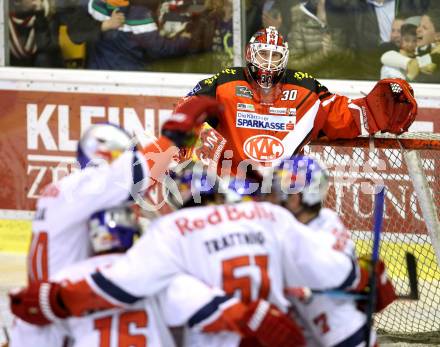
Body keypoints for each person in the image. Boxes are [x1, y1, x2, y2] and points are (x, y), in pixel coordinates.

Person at [9, 160, 375, 347]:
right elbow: (336, 272)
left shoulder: (169, 233)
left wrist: (56, 298)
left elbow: (122, 286)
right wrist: (368, 276)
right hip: (283, 331)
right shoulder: (268, 216)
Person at [26, 95, 224, 287]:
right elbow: (138, 173)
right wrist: (172, 138)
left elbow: (140, 180)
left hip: (54, 296)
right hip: (61, 307)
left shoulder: (68, 190)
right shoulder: (85, 186)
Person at [180, 26, 417, 176]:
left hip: (281, 192)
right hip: (230, 188)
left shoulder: (304, 87)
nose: (269, 63)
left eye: (275, 56)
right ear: (249, 54)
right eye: (264, 54)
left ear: (285, 59)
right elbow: (187, 108)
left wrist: (373, 112)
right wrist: (188, 137)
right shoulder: (226, 83)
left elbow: (337, 114)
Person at [272, 155, 396, 346]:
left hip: (345, 337)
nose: (276, 198)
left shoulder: (302, 235)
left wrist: (364, 276)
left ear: (297, 197)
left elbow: (340, 273)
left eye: (282, 192)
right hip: (322, 333)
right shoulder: (324, 219)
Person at [286, 0, 355, 79]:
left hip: (342, 83)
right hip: (313, 84)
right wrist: (322, 54)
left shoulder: (340, 27)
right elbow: (293, 66)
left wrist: (335, 50)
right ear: (318, 5)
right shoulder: (300, 28)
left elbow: (353, 60)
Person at [9, 0, 63, 67]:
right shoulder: (7, 16)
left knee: (42, 58)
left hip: (46, 66)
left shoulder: (48, 13)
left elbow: (45, 46)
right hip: (17, 68)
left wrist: (40, 16)